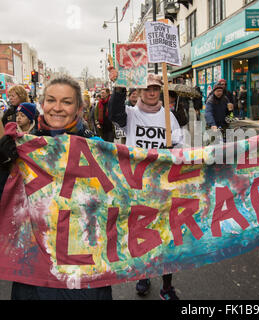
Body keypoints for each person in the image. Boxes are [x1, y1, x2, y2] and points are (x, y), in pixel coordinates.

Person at [0, 76, 111, 300]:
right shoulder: (23, 147)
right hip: (35, 274)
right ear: (42, 104)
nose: (57, 108)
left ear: (79, 107)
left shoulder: (99, 149)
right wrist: (2, 165)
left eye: (66, 102)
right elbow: (6, 204)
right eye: (51, 100)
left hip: (84, 273)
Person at [108, 69, 183, 300]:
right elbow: (114, 113)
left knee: (166, 239)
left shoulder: (170, 117)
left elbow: (182, 145)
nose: (151, 93)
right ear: (139, 91)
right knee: (141, 237)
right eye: (147, 88)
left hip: (164, 187)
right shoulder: (130, 114)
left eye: (155, 89)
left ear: (161, 92)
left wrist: (174, 152)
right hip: (138, 187)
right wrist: (120, 85)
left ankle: (167, 286)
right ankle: (143, 276)